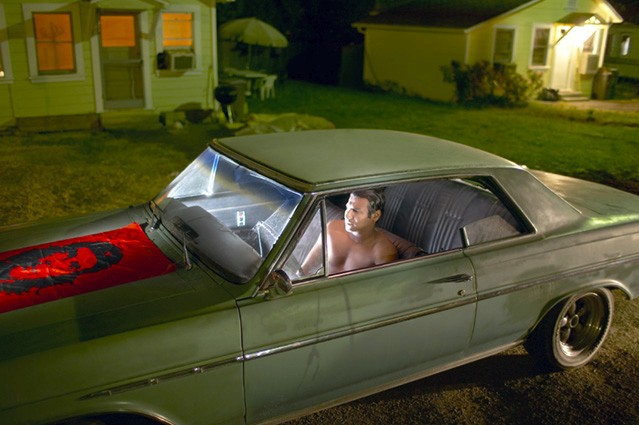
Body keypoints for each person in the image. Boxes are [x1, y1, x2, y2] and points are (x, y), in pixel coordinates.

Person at [301, 189, 398, 275]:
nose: (348, 215)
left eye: (355, 210)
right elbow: (304, 271)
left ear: (375, 216)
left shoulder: (383, 253)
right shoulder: (332, 229)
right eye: (347, 207)